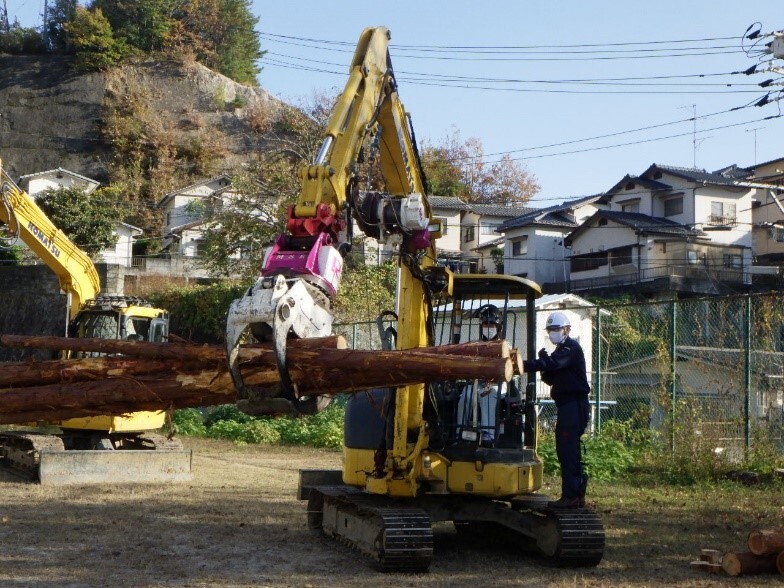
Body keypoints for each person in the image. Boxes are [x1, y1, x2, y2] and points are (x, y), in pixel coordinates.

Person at [523, 311, 590, 509]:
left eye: (556, 329)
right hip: (566, 405)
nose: (553, 333)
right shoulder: (561, 350)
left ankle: (573, 495)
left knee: (568, 450)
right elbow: (551, 377)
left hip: (574, 404)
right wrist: (545, 367)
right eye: (550, 330)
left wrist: (525, 365)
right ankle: (571, 494)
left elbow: (553, 364)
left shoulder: (570, 348)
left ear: (567, 329)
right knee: (564, 449)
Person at [457, 304, 505, 443]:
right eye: (485, 325)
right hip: (477, 383)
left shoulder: (503, 346)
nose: (488, 328)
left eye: (491, 325)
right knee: (466, 395)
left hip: (497, 385)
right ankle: (459, 432)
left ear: (498, 327)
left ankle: (488, 435)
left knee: (487, 396)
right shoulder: (476, 346)